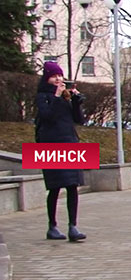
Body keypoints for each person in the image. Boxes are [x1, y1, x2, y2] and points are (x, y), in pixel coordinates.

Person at [35, 61, 87, 242]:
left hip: (70, 143)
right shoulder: (43, 97)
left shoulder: (65, 96)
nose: (58, 79)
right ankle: (52, 226)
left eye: (60, 75)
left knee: (72, 186)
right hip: (51, 145)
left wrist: (76, 101)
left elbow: (79, 120)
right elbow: (47, 116)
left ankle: (73, 226)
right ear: (47, 78)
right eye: (54, 76)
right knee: (55, 188)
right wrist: (57, 97)